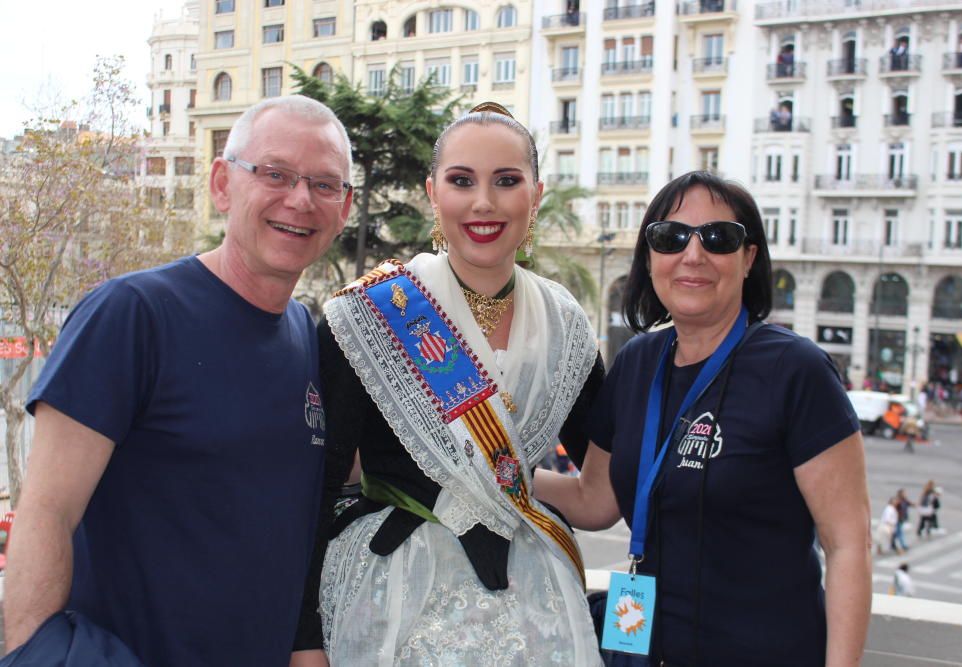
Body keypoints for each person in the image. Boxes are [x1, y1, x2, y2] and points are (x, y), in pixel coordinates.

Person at [4, 95, 354, 665]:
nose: (300, 199)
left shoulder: (304, 336)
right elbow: (46, 512)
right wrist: (45, 655)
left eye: (324, 184)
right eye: (275, 174)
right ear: (222, 184)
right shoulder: (132, 313)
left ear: (344, 209)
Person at [292, 102, 605, 665]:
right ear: (433, 192)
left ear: (536, 195)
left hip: (535, 601)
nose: (483, 202)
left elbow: (601, 492)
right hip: (392, 596)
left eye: (506, 181)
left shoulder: (567, 325)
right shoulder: (368, 315)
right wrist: (305, 643)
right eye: (462, 181)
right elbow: (312, 494)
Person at [535, 171, 872, 666]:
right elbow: (595, 499)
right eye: (670, 238)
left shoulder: (796, 370)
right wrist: (501, 474)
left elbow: (848, 545)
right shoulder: (636, 362)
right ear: (650, 259)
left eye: (718, 238)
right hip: (646, 650)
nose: (693, 255)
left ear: (748, 257)